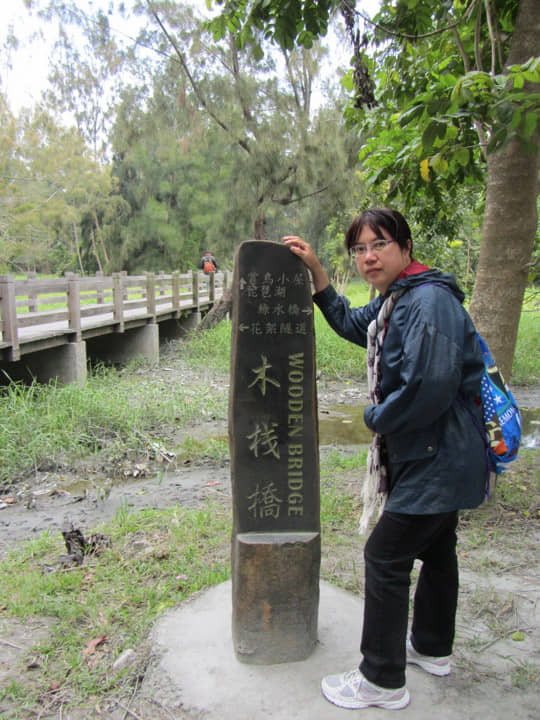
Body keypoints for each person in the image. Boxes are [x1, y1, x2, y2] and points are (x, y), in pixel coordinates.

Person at [284, 208, 487, 711]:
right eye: (358, 249)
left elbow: (430, 386)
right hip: (437, 453)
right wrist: (319, 277)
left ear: (406, 246)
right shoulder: (398, 298)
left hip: (438, 456)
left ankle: (381, 679)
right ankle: (432, 648)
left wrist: (375, 417)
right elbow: (357, 325)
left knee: (386, 554)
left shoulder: (429, 302)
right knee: (438, 549)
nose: (368, 257)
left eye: (379, 244)